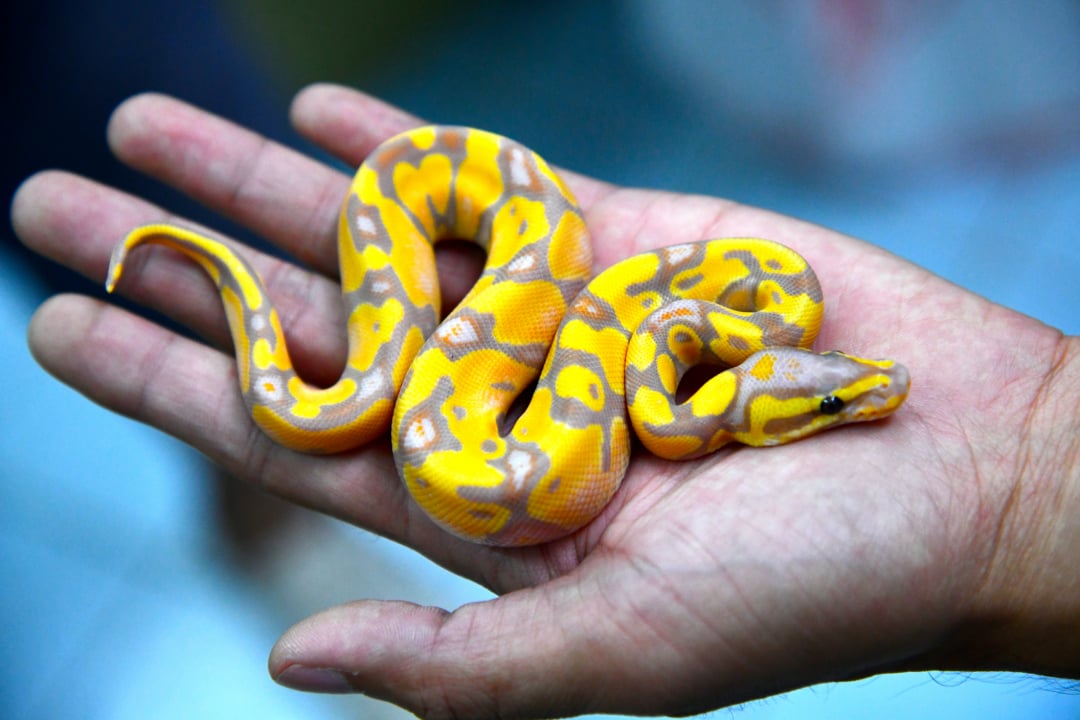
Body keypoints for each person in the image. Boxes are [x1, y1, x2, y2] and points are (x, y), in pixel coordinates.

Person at [11, 84, 1079, 720]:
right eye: (833, 402)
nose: (861, 393)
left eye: (829, 401)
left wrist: (1029, 492)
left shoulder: (700, 343)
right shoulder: (663, 367)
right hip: (461, 247)